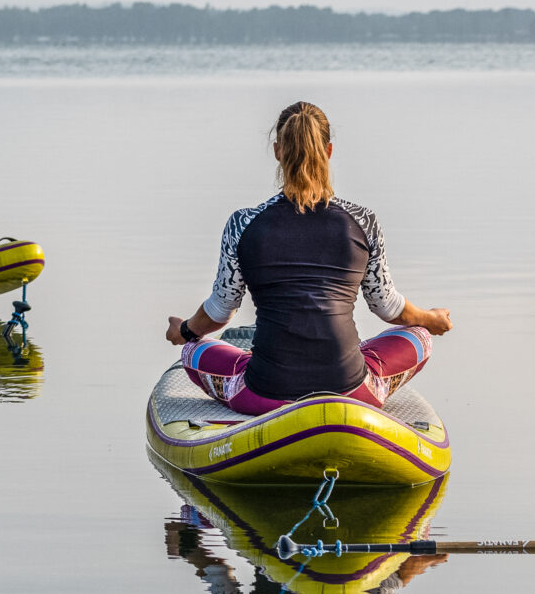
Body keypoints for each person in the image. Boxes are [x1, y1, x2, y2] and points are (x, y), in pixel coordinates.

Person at [166, 101, 450, 414]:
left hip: (265, 393)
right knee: (420, 337)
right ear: (328, 150)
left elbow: (220, 311)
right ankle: (358, 374)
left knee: (193, 350)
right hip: (349, 389)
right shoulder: (363, 221)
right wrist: (430, 318)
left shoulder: (243, 224)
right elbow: (388, 307)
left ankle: (248, 369)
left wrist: (185, 331)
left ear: (277, 151)